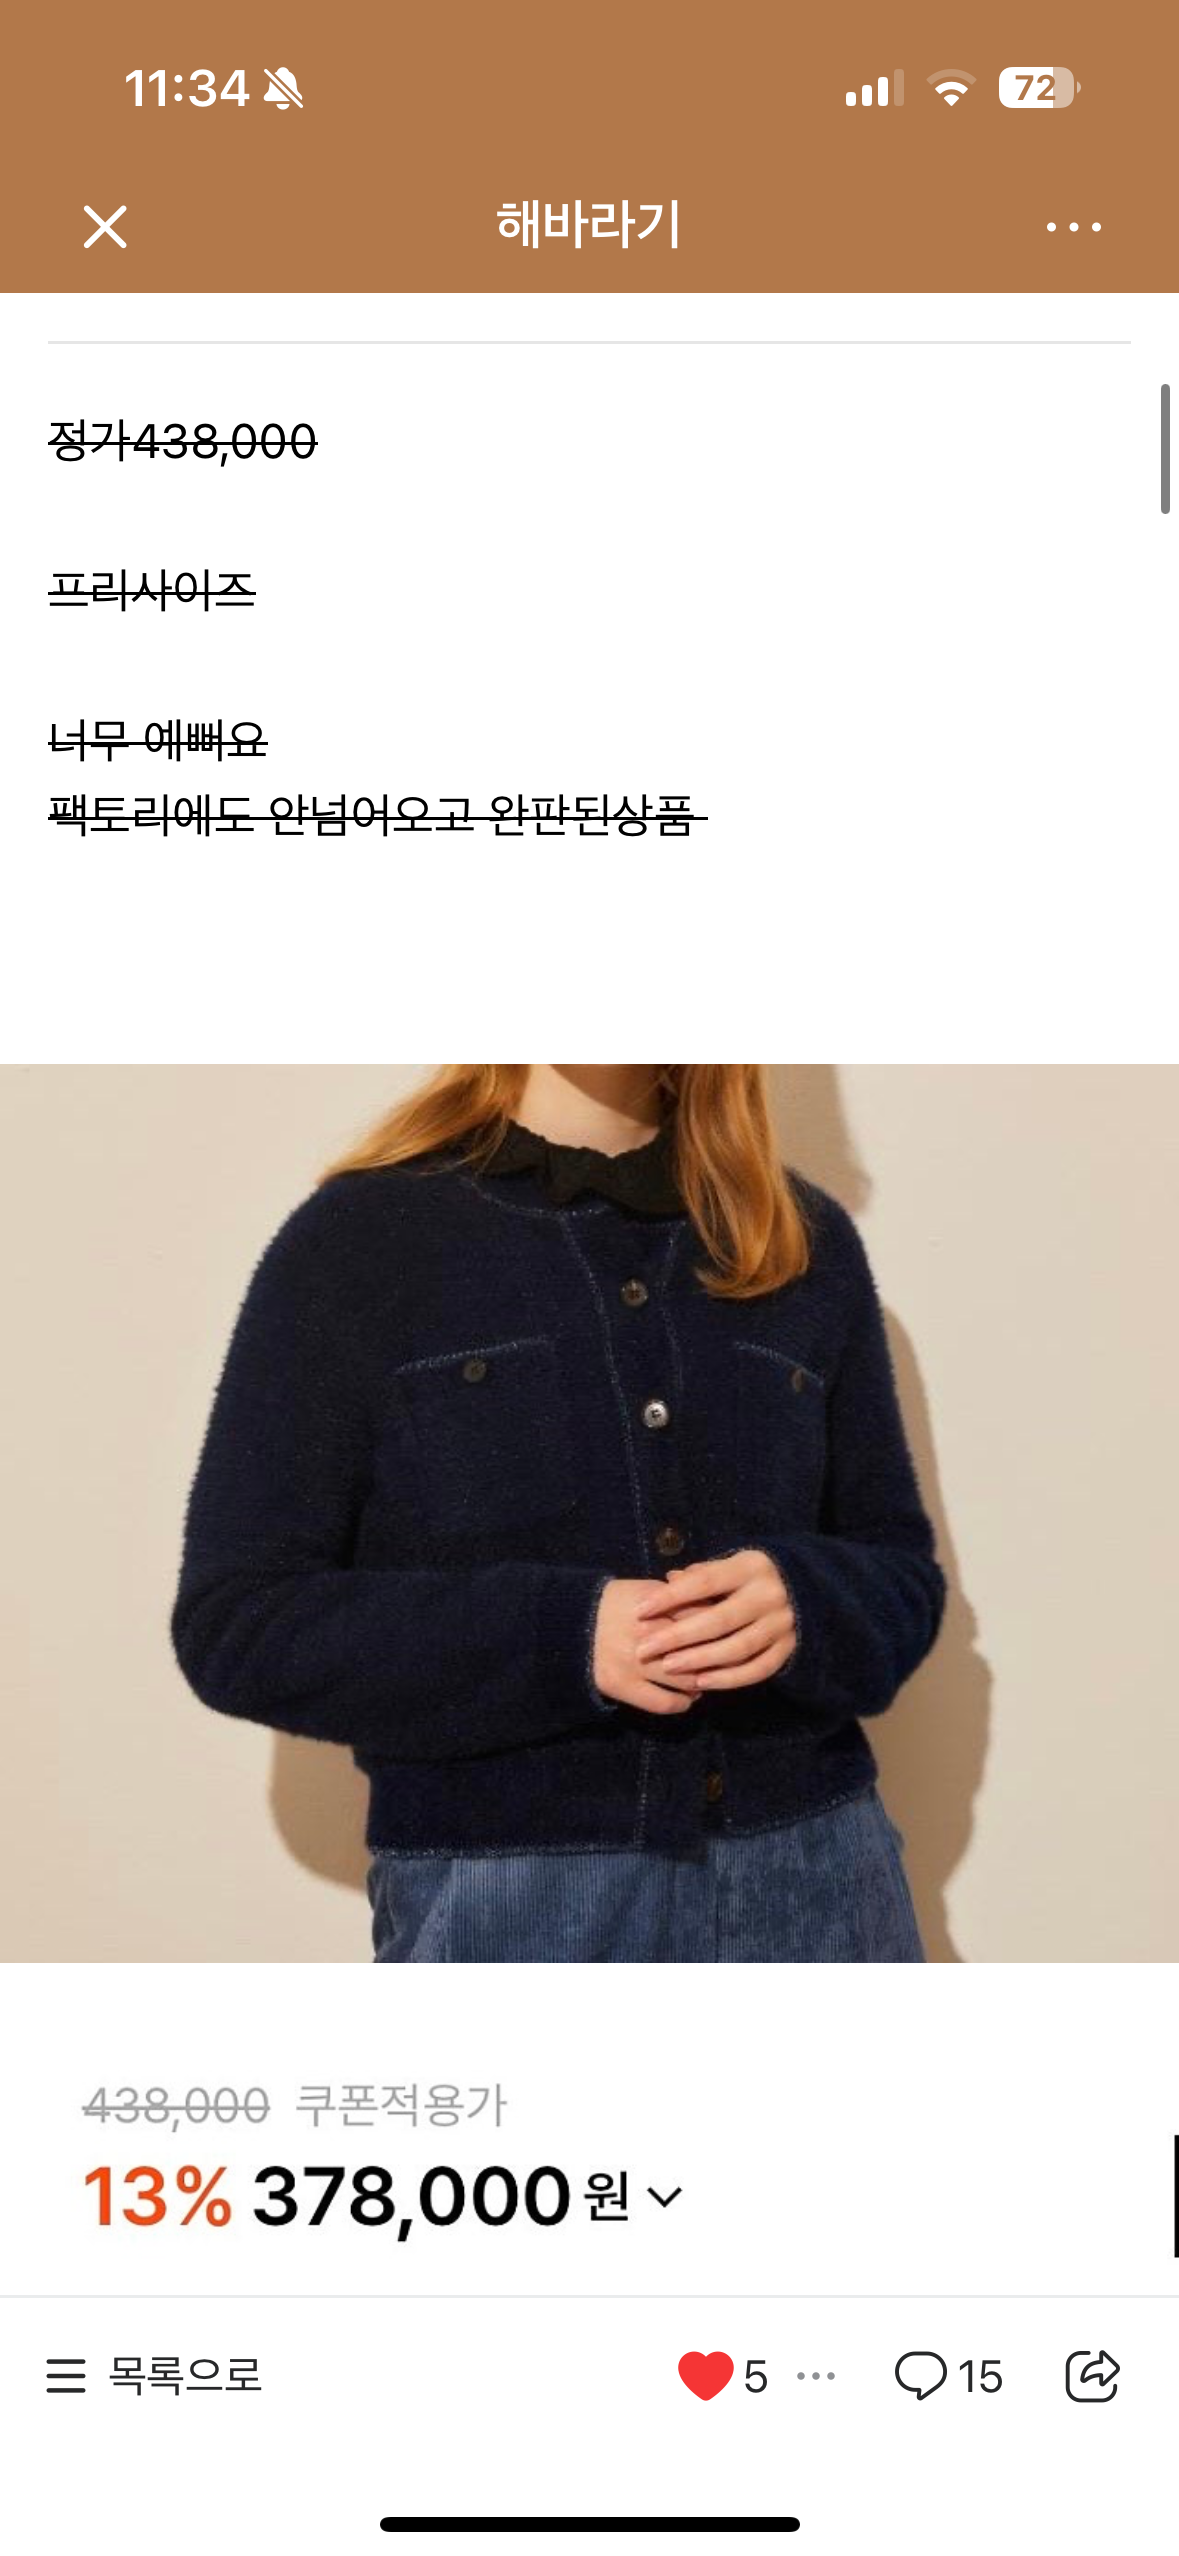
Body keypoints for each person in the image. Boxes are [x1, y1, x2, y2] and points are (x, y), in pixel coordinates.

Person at [173, 1064, 945, 1962]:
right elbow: (240, 1625)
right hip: (511, 1900)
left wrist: (805, 1602)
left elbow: (901, 1579)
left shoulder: (799, 1241)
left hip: (822, 1877)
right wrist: (560, 1637)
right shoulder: (362, 1240)